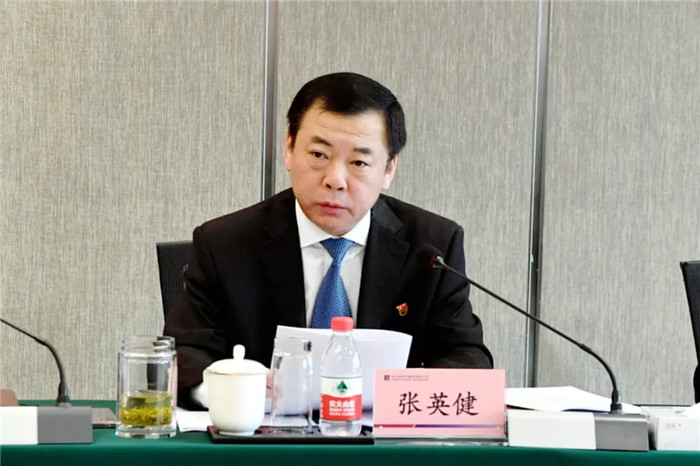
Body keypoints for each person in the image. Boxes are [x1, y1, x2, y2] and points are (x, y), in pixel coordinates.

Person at [164, 72, 493, 409]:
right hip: (263, 436)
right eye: (319, 155)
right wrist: (228, 388)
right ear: (289, 149)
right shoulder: (225, 244)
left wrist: (402, 395)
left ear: (388, 170)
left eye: (359, 162)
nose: (335, 179)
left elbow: (467, 357)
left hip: (385, 439)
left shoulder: (432, 246)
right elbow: (183, 355)